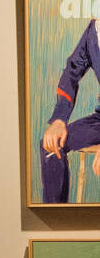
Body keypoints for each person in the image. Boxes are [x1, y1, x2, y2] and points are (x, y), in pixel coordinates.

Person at [40, 21, 100, 202]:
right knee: (51, 145)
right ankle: (54, 217)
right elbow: (72, 71)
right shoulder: (95, 30)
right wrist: (59, 119)